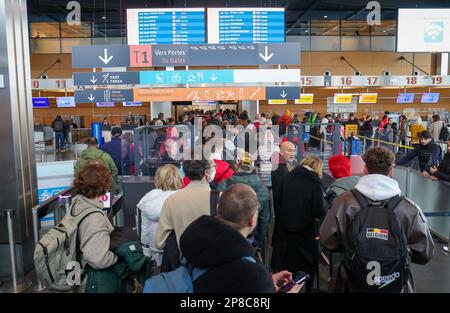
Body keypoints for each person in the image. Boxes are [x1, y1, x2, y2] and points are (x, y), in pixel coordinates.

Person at [320, 146, 435, 292]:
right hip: (395, 284)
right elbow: (425, 253)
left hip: (351, 283)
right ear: (391, 171)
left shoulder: (344, 202)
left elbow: (327, 240)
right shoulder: (408, 208)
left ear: (365, 169)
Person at [179, 184, 301, 293]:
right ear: (251, 219)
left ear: (217, 208)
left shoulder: (194, 242)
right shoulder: (253, 274)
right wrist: (263, 283)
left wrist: (267, 282)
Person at [271, 156, 326, 292]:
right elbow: (319, 210)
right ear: (317, 167)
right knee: (307, 268)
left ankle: (286, 288)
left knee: (286, 268)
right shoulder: (315, 182)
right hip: (306, 234)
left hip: (284, 232)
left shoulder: (286, 177)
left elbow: (277, 200)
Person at [72, 162, 118, 292]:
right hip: (91, 283)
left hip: (76, 275)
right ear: (103, 186)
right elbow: (99, 259)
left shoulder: (76, 204)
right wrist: (119, 257)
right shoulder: (93, 218)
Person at [155, 159, 216, 251]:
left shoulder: (171, 200)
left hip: (185, 258)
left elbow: (159, 242)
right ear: (207, 172)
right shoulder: (221, 198)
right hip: (215, 258)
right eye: (214, 168)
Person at [218, 152, 270, 249]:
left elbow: (216, 209)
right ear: (252, 165)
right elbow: (264, 219)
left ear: (237, 165)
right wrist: (259, 241)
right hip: (250, 236)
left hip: (223, 234)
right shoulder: (262, 188)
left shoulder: (223, 183)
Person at [137, 165, 183, 267]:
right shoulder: (182, 198)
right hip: (177, 250)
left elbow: (144, 229)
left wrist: (146, 251)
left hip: (155, 249)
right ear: (178, 178)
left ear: (158, 178)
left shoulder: (148, 199)